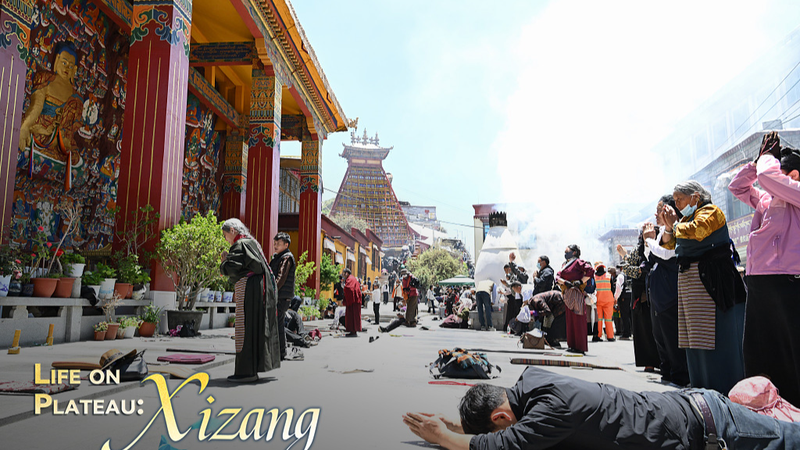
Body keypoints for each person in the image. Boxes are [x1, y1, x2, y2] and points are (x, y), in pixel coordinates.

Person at [402, 366, 800, 450]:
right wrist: (458, 427)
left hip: (715, 429)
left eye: (499, 427)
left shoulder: (551, 410)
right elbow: (506, 434)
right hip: (700, 415)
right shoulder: (532, 382)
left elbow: (502, 447)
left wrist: (446, 438)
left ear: (502, 417)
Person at [729, 132, 800, 405]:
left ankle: (792, 407)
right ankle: (763, 405)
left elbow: (768, 177)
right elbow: (738, 187)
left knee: (790, 350)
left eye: (774, 169)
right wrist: (757, 161)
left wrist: (767, 159)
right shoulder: (767, 200)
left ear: (792, 175)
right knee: (760, 350)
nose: (765, 176)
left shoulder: (795, 192)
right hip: (759, 281)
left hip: (788, 282)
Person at [663, 180, 747, 394]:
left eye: (680, 199)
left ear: (695, 197)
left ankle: (724, 389)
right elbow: (670, 245)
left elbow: (698, 231)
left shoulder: (711, 212)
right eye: (675, 200)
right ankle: (702, 387)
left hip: (712, 284)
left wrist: (674, 225)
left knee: (716, 338)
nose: (677, 204)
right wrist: (667, 227)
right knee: (695, 339)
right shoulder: (684, 220)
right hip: (691, 286)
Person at [219, 219, 280, 382]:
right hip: (257, 289)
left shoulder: (240, 244)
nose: (226, 239)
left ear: (232, 230)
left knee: (243, 328)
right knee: (252, 327)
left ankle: (246, 371)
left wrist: (224, 261)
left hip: (249, 289)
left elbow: (231, 268)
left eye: (226, 235)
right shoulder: (252, 242)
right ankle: (252, 369)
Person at [643, 195, 690, 387]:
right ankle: (667, 372)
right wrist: (650, 242)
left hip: (671, 294)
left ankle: (679, 377)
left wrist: (649, 241)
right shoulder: (661, 232)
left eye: (660, 209)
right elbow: (650, 258)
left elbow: (668, 255)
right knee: (660, 337)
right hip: (658, 295)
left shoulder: (679, 229)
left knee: (673, 339)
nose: (656, 214)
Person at [556, 244, 594, 354]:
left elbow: (591, 271)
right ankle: (572, 345)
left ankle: (580, 346)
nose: (565, 253)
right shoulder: (565, 265)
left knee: (578, 319)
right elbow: (557, 277)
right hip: (567, 293)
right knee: (570, 320)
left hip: (577, 293)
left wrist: (581, 281)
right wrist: (564, 282)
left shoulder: (578, 262)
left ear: (574, 252)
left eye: (566, 251)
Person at [269, 232, 296, 361]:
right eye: (274, 243)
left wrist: (272, 290)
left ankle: (280, 352)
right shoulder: (278, 257)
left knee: (278, 323)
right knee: (276, 322)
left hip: (281, 296)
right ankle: (278, 350)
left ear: (286, 245)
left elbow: (281, 277)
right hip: (279, 295)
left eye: (278, 244)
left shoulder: (286, 258)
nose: (275, 246)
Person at [592, 263, 615, 342]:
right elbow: (613, 288)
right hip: (608, 300)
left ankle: (598, 336)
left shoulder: (594, 277)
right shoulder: (609, 276)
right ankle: (610, 336)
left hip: (598, 300)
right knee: (608, 319)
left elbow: (593, 289)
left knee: (599, 319)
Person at [341, 268, 362, 337]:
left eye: (344, 274)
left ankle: (353, 331)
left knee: (352, 316)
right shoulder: (352, 278)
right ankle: (353, 331)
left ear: (347, 273)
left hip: (353, 301)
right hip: (354, 300)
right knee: (352, 316)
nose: (343, 275)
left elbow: (349, 288)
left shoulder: (350, 279)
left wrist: (343, 286)